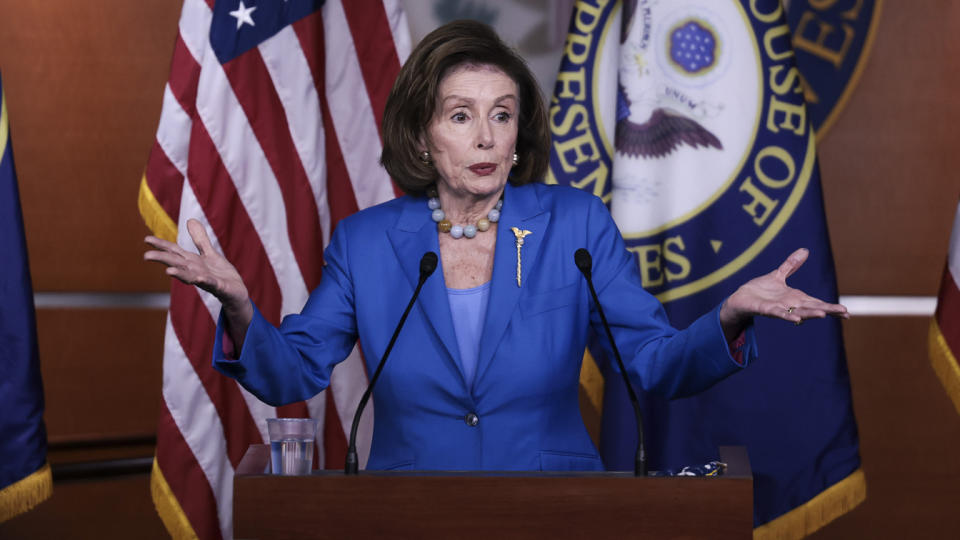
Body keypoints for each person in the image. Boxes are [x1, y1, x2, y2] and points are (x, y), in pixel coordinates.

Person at [143, 20, 848, 472]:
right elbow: (292, 373)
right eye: (461, 115)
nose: (485, 136)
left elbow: (654, 365)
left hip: (556, 516)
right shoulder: (366, 244)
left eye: (502, 116)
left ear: (519, 136)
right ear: (422, 135)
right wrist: (239, 307)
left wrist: (728, 317)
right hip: (405, 516)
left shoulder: (576, 227)